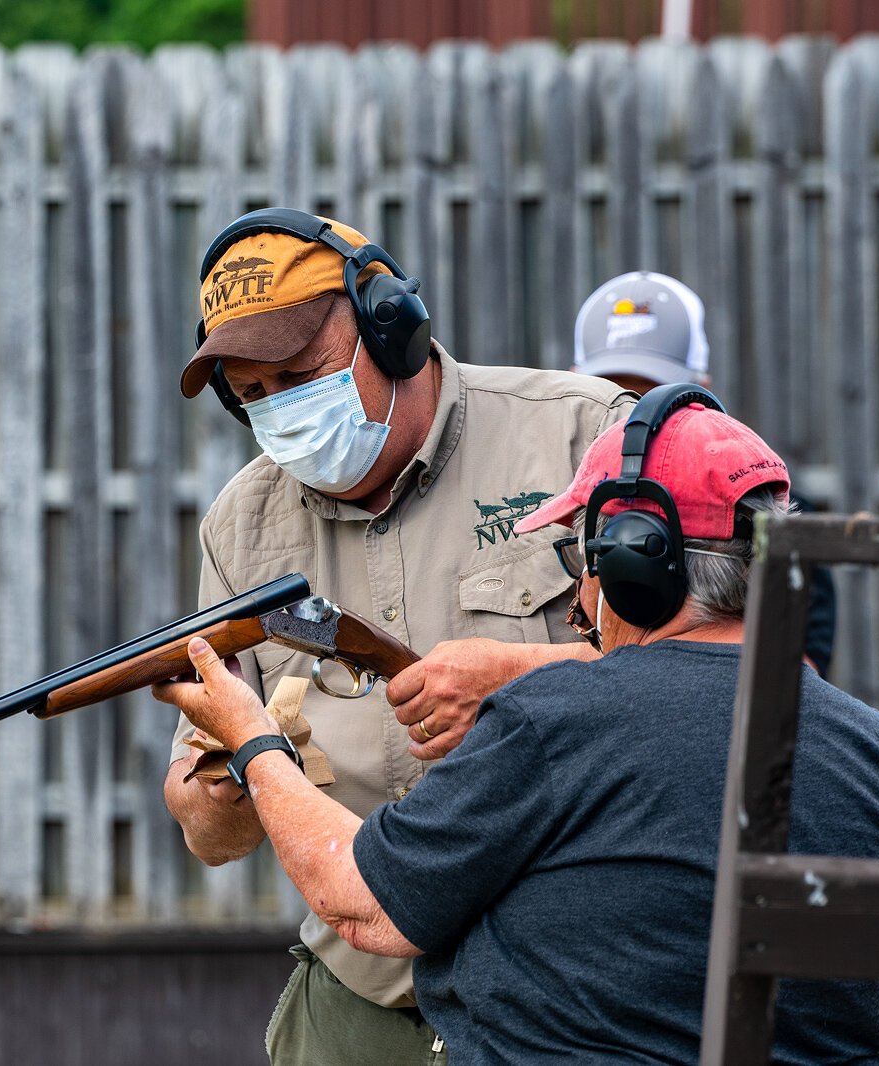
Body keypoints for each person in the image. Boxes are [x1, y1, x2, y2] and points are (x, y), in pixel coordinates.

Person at [153, 392, 879, 1065]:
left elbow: (364, 905)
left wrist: (252, 739)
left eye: (585, 557)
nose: (578, 595)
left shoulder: (549, 724)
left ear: (638, 567)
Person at [164, 208, 634, 1063]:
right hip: (362, 995)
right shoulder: (241, 527)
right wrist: (237, 770)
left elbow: (710, 680)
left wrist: (520, 680)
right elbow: (209, 836)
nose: (282, 411)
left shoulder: (584, 435)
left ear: (393, 330)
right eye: (253, 395)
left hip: (576, 988)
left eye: (299, 374)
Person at [574, 271, 837, 675]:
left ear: (699, 393)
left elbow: (793, 691)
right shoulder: (536, 506)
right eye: (607, 399)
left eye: (649, 396)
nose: (632, 421)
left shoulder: (767, 513)